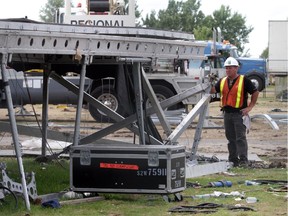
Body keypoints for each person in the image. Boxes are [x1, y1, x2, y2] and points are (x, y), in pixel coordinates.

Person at [210, 57, 259, 167]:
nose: (228, 70)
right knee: (230, 139)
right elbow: (213, 91)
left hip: (239, 114)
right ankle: (233, 160)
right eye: (226, 68)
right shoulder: (222, 81)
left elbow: (255, 92)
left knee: (240, 138)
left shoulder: (244, 80)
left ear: (236, 68)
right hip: (227, 113)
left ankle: (243, 161)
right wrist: (210, 83)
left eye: (230, 68)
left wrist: (250, 107)